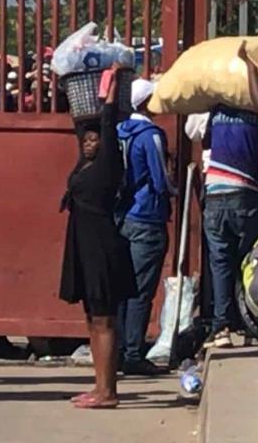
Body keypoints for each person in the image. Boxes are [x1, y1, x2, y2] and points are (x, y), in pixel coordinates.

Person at [60, 65, 135, 409]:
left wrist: (110, 86)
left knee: (105, 319)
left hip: (102, 247)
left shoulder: (109, 164)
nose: (89, 144)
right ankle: (99, 385)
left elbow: (107, 122)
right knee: (92, 318)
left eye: (95, 140)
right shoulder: (83, 166)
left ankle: (109, 391)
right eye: (85, 140)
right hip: (83, 247)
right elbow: (83, 124)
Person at [199, 43, 258, 348]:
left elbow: (203, 141)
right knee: (248, 262)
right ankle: (249, 323)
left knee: (220, 263)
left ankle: (221, 327)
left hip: (215, 193)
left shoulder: (214, 114)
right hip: (247, 195)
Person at [115, 78, 177, 376]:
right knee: (141, 289)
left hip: (123, 216)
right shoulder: (150, 134)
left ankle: (116, 350)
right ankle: (133, 352)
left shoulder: (119, 131)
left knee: (122, 287)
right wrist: (172, 190)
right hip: (147, 216)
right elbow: (159, 177)